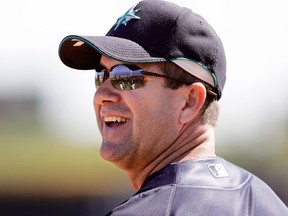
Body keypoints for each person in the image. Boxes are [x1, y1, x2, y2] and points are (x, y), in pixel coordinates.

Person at [58, 0, 288, 215]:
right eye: (101, 75)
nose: (101, 94)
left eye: (125, 75)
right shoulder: (267, 203)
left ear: (190, 101)